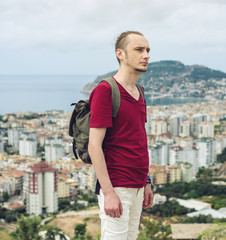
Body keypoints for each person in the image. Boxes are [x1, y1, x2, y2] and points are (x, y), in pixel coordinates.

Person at [88, 31, 153, 240]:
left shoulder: (139, 92)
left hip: (137, 186)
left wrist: (147, 181)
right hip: (118, 186)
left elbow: (138, 140)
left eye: (148, 50)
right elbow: (94, 145)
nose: (146, 55)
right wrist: (108, 193)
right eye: (139, 49)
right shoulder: (106, 90)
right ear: (120, 54)